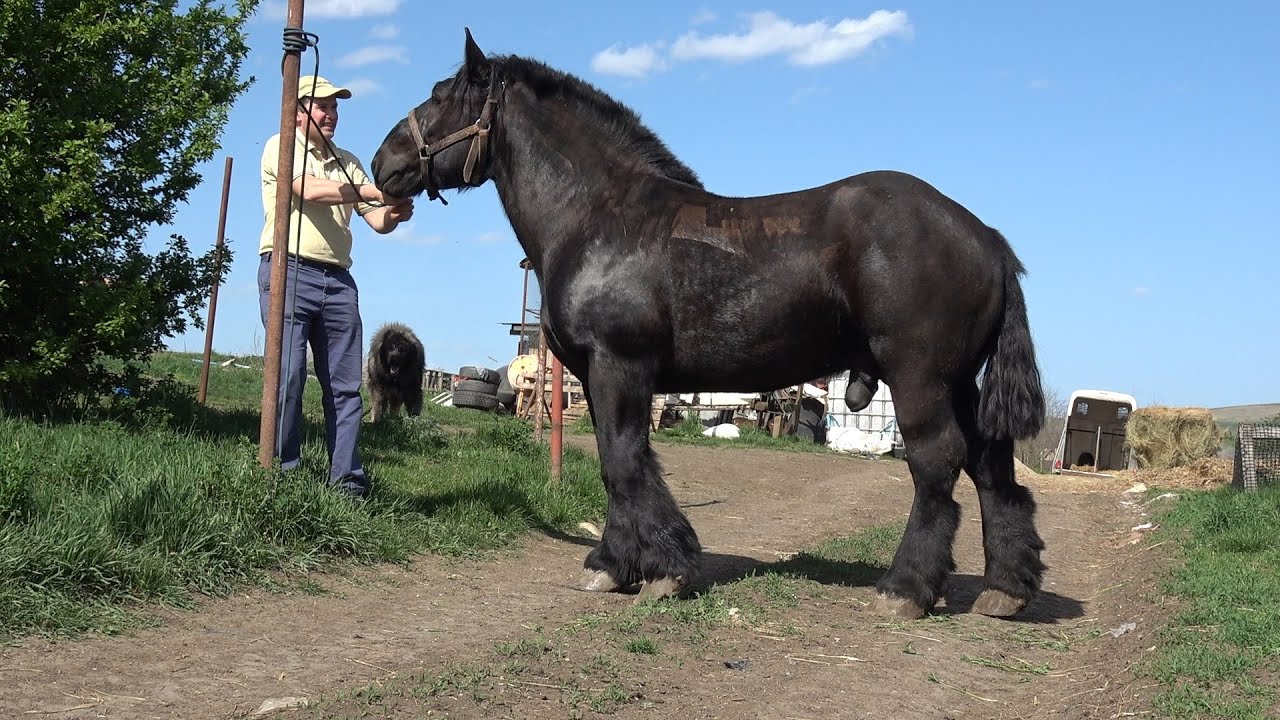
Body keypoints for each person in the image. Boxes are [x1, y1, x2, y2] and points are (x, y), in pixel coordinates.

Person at [257, 75, 414, 498]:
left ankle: (347, 483)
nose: (332, 115)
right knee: (288, 377)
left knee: (346, 388)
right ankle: (281, 477)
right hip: (288, 270)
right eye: (322, 106)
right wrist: (373, 190)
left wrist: (394, 213)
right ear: (298, 112)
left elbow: (375, 219)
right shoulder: (281, 146)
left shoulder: (348, 161)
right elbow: (306, 189)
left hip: (339, 282)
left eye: (336, 107)